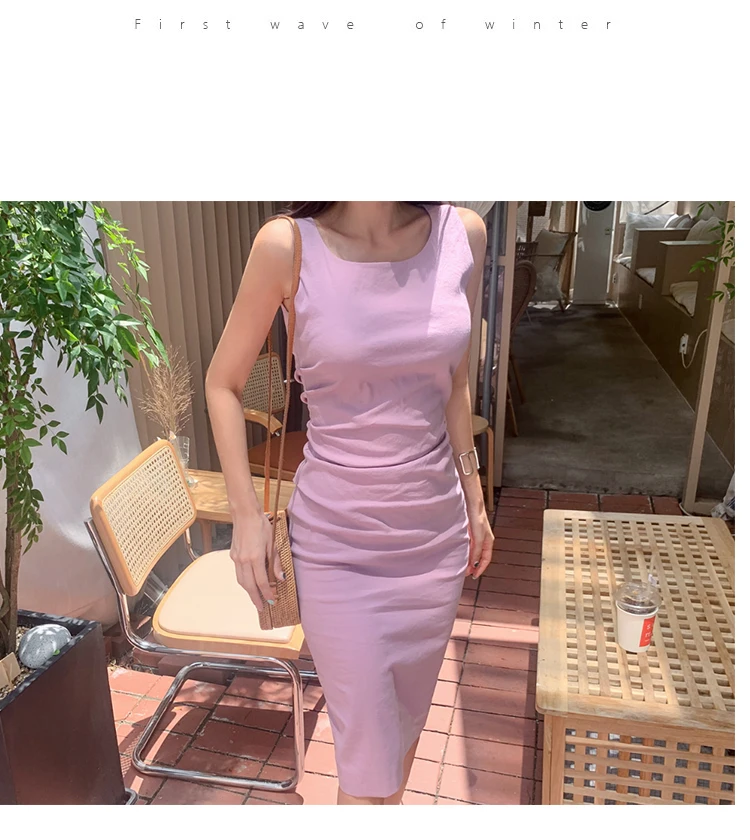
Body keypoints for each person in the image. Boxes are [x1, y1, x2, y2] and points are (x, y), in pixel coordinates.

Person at [205, 201, 495, 804]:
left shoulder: (463, 233)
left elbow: (456, 380)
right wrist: (246, 516)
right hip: (338, 550)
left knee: (400, 741)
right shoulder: (288, 246)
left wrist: (475, 497)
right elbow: (222, 384)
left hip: (433, 543)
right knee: (366, 766)